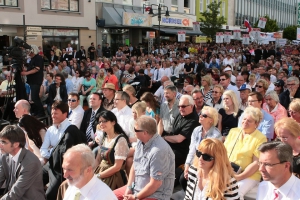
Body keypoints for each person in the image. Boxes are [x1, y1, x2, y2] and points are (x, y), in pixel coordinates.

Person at [113, 116, 175, 200]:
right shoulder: (140, 141)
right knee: (110, 196)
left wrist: (135, 197)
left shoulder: (159, 151)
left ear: (145, 132)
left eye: (135, 130)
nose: (133, 132)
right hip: (136, 188)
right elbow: (135, 166)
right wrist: (129, 188)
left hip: (155, 195)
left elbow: (155, 184)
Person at [42, 101, 86, 200]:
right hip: (50, 163)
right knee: (33, 181)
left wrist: (52, 152)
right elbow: (43, 149)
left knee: (50, 194)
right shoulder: (50, 130)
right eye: (52, 113)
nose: (53, 116)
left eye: (56, 113)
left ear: (65, 114)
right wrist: (50, 156)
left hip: (61, 169)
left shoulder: (71, 130)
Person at [224, 106, 267, 200]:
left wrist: (239, 177)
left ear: (257, 124)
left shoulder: (261, 138)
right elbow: (223, 152)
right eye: (244, 119)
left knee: (235, 192)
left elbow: (256, 163)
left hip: (250, 175)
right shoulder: (233, 131)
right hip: (228, 170)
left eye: (249, 121)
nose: (245, 122)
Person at [181, 106, 221, 191]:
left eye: (204, 115)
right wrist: (187, 165)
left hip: (207, 165)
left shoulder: (216, 135)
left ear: (211, 120)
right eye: (200, 114)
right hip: (196, 162)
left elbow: (212, 158)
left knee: (195, 180)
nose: (200, 116)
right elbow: (191, 150)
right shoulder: (196, 130)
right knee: (183, 179)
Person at [0, 125, 45, 199]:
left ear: (16, 144)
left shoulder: (31, 162)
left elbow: (16, 192)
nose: (0, 145)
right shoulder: (5, 156)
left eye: (4, 142)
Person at [94, 111, 130, 190]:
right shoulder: (104, 138)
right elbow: (98, 159)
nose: (101, 124)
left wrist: (98, 176)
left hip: (114, 176)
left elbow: (117, 166)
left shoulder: (120, 140)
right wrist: (91, 174)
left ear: (113, 122)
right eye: (100, 122)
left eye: (105, 121)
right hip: (100, 171)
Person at [21, 45, 44, 117]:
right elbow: (30, 69)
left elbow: (37, 69)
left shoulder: (38, 58)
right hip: (31, 81)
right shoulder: (32, 59)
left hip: (36, 81)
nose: (28, 52)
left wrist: (26, 73)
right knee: (33, 98)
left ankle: (41, 112)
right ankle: (37, 111)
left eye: (29, 51)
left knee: (35, 97)